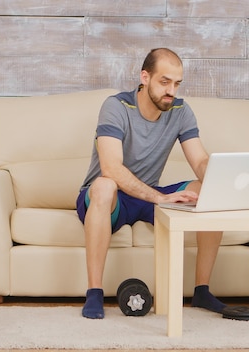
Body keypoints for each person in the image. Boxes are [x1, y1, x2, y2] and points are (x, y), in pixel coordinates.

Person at [76, 48, 226, 319]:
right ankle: (94, 292)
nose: (172, 90)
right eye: (164, 82)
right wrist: (159, 198)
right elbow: (110, 168)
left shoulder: (180, 110)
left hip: (148, 195)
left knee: (207, 190)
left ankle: (202, 291)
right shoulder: (116, 106)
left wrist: (221, 177)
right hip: (110, 198)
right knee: (104, 185)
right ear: (145, 77)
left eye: (177, 83)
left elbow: (200, 161)